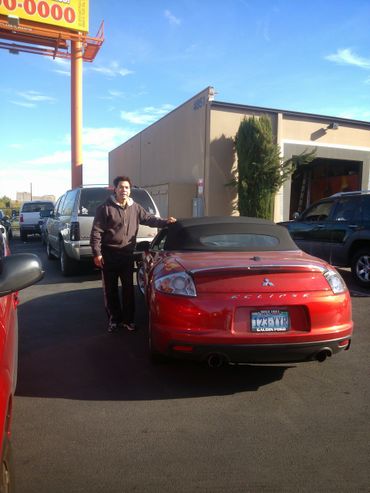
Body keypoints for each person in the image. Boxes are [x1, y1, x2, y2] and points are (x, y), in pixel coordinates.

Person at [90, 176, 176, 333]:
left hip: (127, 255)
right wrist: (97, 253)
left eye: (127, 188)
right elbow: (96, 232)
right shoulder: (105, 208)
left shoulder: (135, 207)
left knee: (129, 289)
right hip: (109, 255)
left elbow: (149, 219)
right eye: (121, 187)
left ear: (130, 190)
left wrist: (165, 222)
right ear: (115, 189)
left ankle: (128, 321)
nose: (124, 190)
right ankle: (114, 320)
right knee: (110, 290)